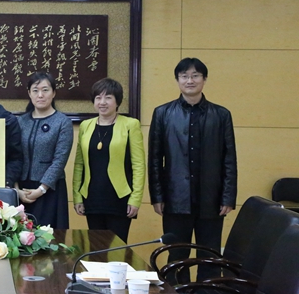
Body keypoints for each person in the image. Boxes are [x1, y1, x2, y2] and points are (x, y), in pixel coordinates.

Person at [148, 57, 237, 283]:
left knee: (210, 255)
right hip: (175, 198)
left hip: (211, 198)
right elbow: (155, 159)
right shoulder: (163, 113)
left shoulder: (221, 115)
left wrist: (228, 197)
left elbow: (229, 159)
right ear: (177, 80)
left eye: (195, 75)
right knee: (177, 256)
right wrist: (157, 196)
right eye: (184, 76)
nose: (190, 80)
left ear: (204, 79)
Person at [72, 77, 145, 243]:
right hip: (92, 197)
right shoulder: (86, 126)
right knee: (95, 247)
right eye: (98, 98)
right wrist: (77, 197)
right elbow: (79, 165)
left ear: (117, 101)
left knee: (117, 249)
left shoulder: (130, 125)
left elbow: (139, 165)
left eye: (108, 97)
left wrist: (135, 199)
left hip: (119, 197)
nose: (102, 102)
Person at [16, 72, 73, 229]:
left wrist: (41, 189)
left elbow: (59, 160)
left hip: (50, 190)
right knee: (20, 236)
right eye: (35, 90)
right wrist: (16, 189)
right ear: (29, 93)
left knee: (49, 237)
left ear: (53, 93)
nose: (40, 95)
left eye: (45, 90)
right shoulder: (20, 121)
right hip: (22, 189)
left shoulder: (63, 122)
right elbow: (13, 156)